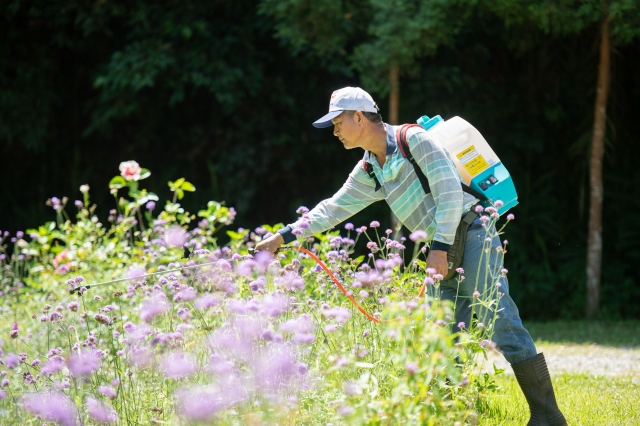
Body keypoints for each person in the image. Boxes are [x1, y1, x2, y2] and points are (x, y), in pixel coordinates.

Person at [256, 87, 567, 426]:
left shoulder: (413, 140)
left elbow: (449, 189)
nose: (335, 131)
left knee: (500, 318)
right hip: (443, 250)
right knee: (445, 337)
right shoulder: (370, 169)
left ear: (358, 117)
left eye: (338, 122)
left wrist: (438, 249)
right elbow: (332, 209)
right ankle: (453, 418)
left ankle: (547, 414)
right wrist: (282, 236)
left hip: (471, 231)